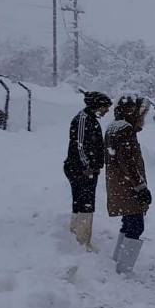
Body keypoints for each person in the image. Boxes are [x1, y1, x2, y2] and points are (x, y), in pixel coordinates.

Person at [104, 96, 152, 274]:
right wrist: (140, 187)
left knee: (128, 222)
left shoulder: (113, 127)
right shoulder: (125, 130)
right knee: (136, 225)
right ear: (130, 111)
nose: (142, 118)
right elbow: (128, 162)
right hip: (128, 186)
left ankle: (118, 260)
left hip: (118, 184)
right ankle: (123, 268)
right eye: (140, 113)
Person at [64, 91, 112, 249]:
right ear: (96, 105)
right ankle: (82, 240)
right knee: (85, 203)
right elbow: (79, 145)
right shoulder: (83, 120)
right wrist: (87, 166)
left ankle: (78, 235)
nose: (106, 111)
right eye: (105, 107)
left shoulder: (91, 119)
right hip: (80, 170)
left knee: (83, 202)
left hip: (86, 169)